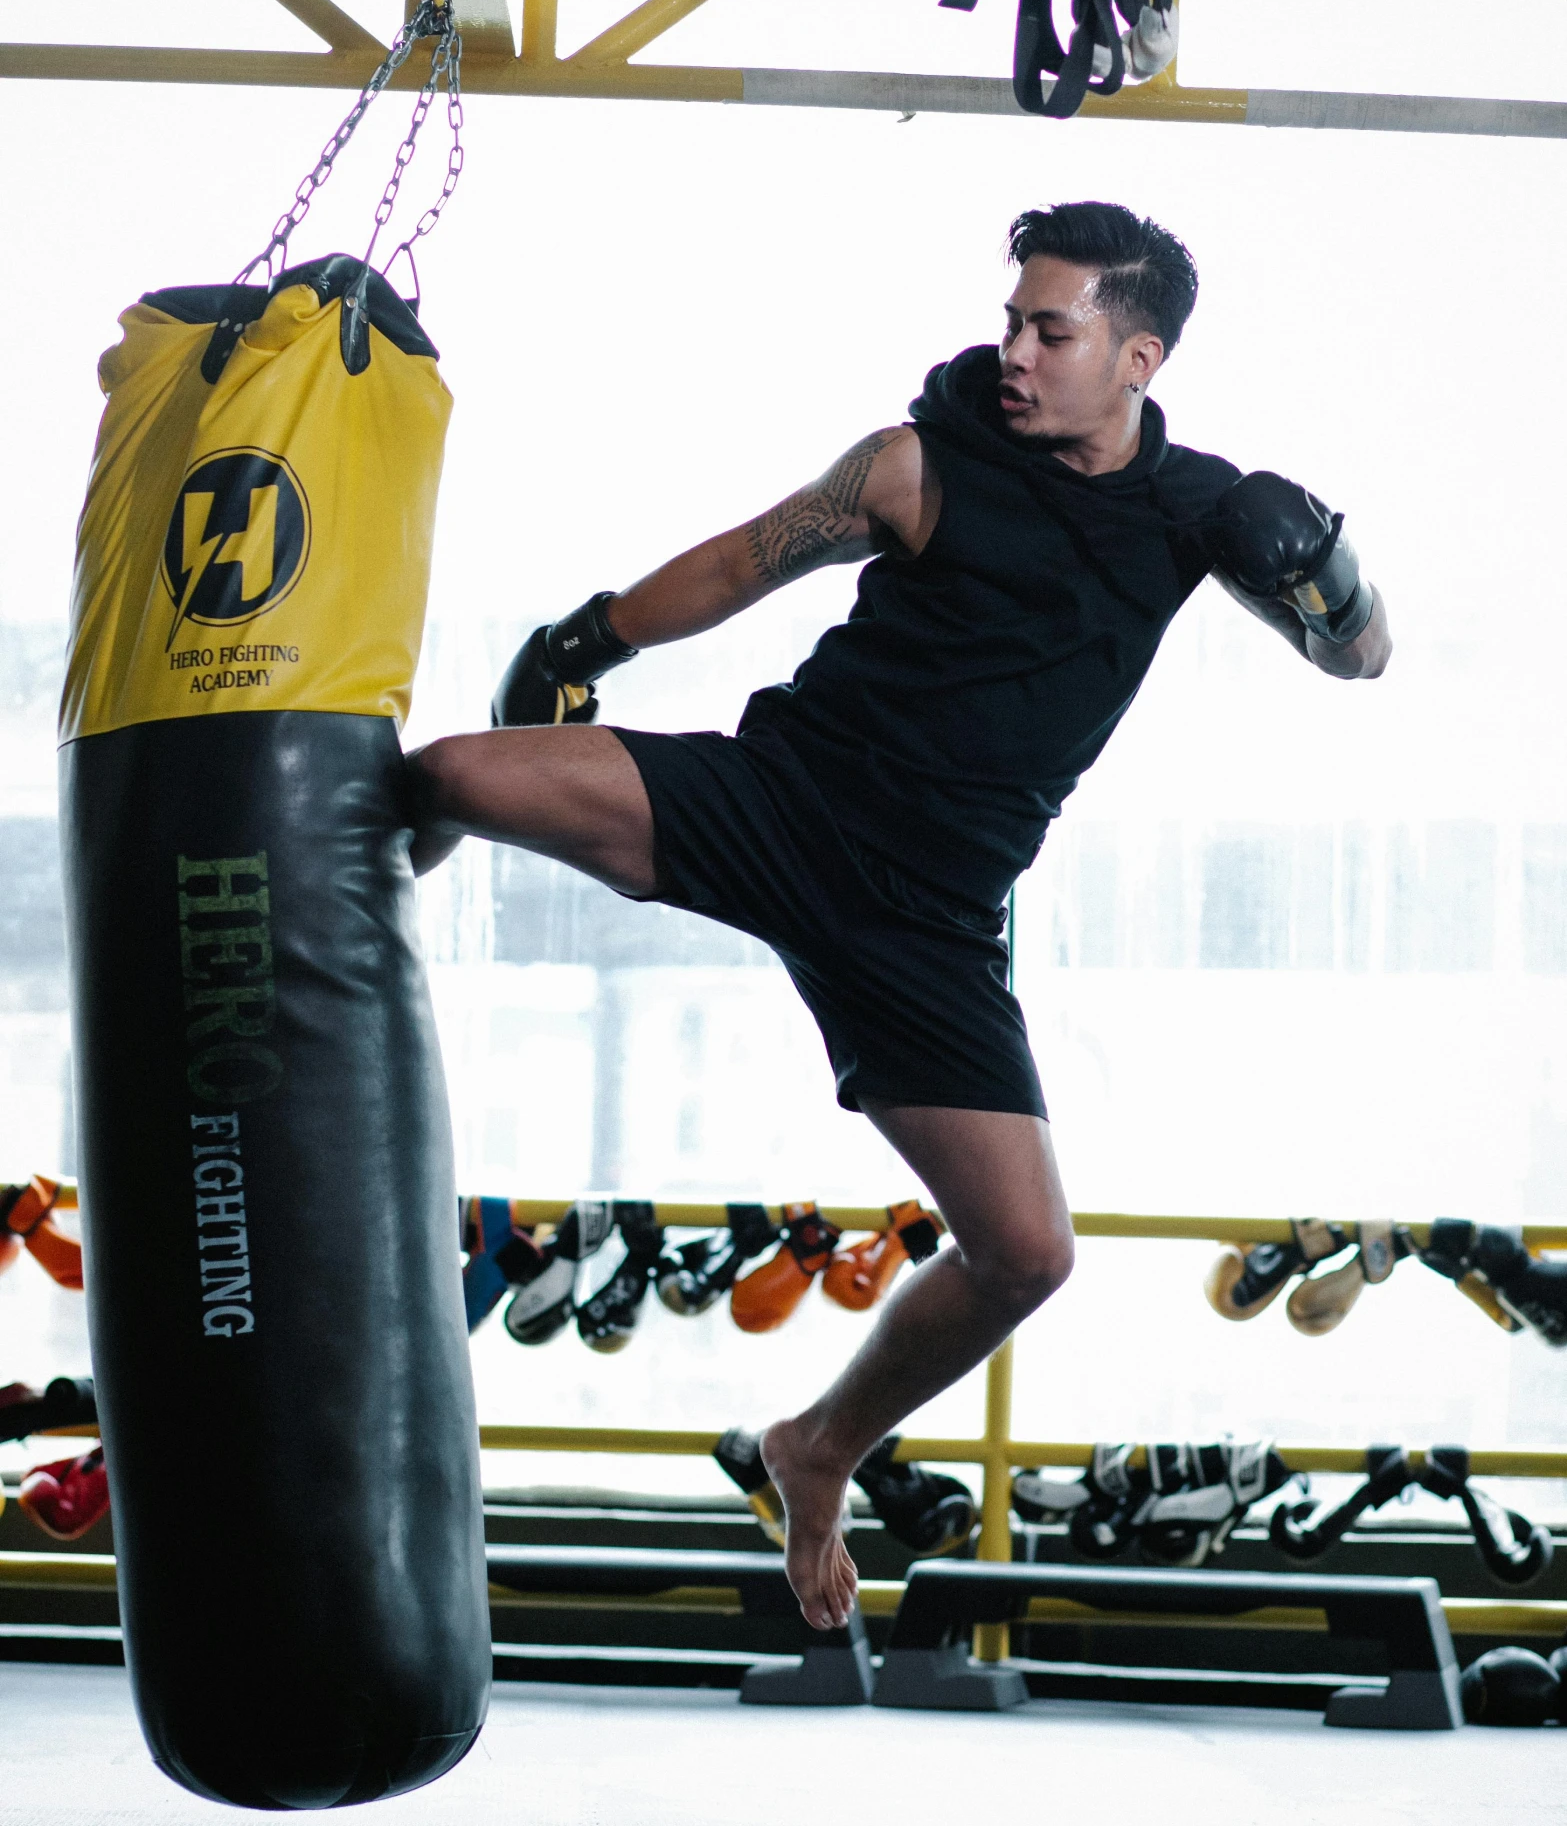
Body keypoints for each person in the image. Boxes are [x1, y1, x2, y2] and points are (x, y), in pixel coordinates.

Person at [407, 200, 1391, 1630]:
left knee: (1027, 1255)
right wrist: (587, 636)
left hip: (930, 918)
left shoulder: (1199, 515)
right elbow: (752, 558)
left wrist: (1331, 573)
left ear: (1138, 355)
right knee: (441, 777)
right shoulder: (914, 463)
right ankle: (315, 983)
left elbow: (1358, 659)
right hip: (778, 800)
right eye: (1010, 320)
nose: (1015, 351)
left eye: (1050, 329)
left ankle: (817, 1447)